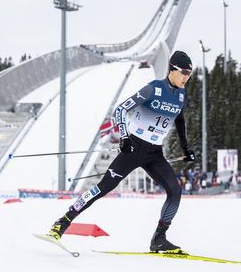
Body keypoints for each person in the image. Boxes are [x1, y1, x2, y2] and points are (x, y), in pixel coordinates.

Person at [46, 51, 196, 254]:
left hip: (154, 153)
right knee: (103, 188)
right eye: (184, 72)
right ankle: (61, 223)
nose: (187, 77)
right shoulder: (153, 88)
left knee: (175, 191)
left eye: (190, 73)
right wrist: (124, 137)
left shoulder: (181, 94)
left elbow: (179, 120)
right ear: (172, 69)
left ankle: (159, 240)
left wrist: (186, 148)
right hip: (133, 148)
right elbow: (120, 110)